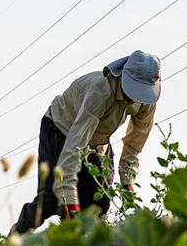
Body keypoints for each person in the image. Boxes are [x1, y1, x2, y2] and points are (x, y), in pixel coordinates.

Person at [12, 50, 161, 234]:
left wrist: (127, 183)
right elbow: (74, 148)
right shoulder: (100, 92)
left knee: (99, 204)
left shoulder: (147, 102)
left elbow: (133, 145)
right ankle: (15, 238)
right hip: (62, 128)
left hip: (99, 142)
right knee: (51, 199)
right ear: (123, 76)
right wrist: (71, 205)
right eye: (133, 90)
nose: (135, 98)